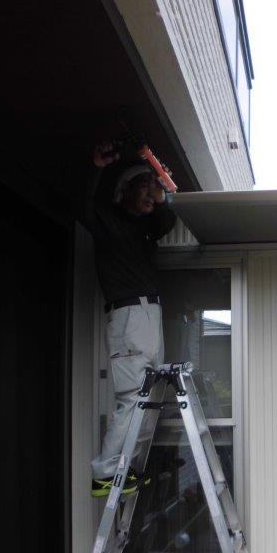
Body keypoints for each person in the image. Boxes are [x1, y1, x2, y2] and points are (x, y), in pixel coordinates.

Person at [86, 142, 177, 497]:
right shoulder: (108, 220)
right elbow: (86, 205)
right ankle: (106, 473)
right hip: (127, 316)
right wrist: (97, 168)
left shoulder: (145, 227)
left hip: (149, 315)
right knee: (133, 397)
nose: (149, 193)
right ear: (123, 190)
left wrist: (161, 191)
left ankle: (128, 469)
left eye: (151, 187)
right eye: (143, 185)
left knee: (149, 397)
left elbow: (166, 220)